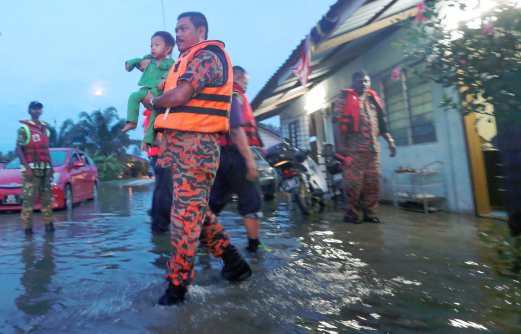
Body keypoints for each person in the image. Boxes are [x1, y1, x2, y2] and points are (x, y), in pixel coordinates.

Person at [143, 12, 252, 305]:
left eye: (183, 28)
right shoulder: (184, 61)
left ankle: (177, 288)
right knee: (194, 212)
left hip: (198, 146)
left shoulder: (208, 56)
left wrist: (153, 101)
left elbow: (181, 95)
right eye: (176, 28)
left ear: (201, 30)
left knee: (184, 217)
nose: (177, 33)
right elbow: (167, 91)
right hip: (178, 146)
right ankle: (235, 265)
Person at [209, 66, 263, 253]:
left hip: (220, 157)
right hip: (235, 156)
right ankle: (254, 247)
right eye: (245, 81)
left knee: (213, 203)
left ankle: (203, 245)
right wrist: (249, 160)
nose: (246, 85)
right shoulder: (234, 95)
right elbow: (236, 129)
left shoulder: (220, 97)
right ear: (237, 77)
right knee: (250, 200)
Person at [333, 71, 397, 224]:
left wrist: (390, 141)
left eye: (366, 81)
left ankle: (370, 213)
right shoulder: (342, 101)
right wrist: (340, 146)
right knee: (353, 185)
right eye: (360, 81)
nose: (364, 83)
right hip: (353, 151)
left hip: (373, 151)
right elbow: (336, 123)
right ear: (353, 82)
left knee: (372, 183)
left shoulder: (374, 100)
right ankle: (351, 214)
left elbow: (382, 125)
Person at [121, 31, 175, 133]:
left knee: (153, 116)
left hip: (157, 90)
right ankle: (131, 122)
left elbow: (171, 71)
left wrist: (164, 79)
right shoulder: (149, 61)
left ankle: (149, 140)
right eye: (151, 45)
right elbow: (139, 61)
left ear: (167, 49)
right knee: (133, 96)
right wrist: (130, 63)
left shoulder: (170, 63)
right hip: (145, 89)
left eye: (157, 45)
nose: (153, 48)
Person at [16, 101, 55, 235]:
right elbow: (18, 149)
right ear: (30, 111)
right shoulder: (24, 129)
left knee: (47, 200)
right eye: (34, 109)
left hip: (45, 170)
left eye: (39, 109)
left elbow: (46, 149)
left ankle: (49, 229)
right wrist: (27, 169)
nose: (37, 111)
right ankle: (28, 232)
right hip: (31, 172)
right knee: (28, 202)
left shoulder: (45, 130)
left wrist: (52, 167)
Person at [142, 109, 172, 233]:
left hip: (157, 154)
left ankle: (156, 215)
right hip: (160, 154)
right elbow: (156, 138)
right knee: (165, 188)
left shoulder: (153, 114)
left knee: (161, 188)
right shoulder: (154, 114)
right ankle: (160, 225)